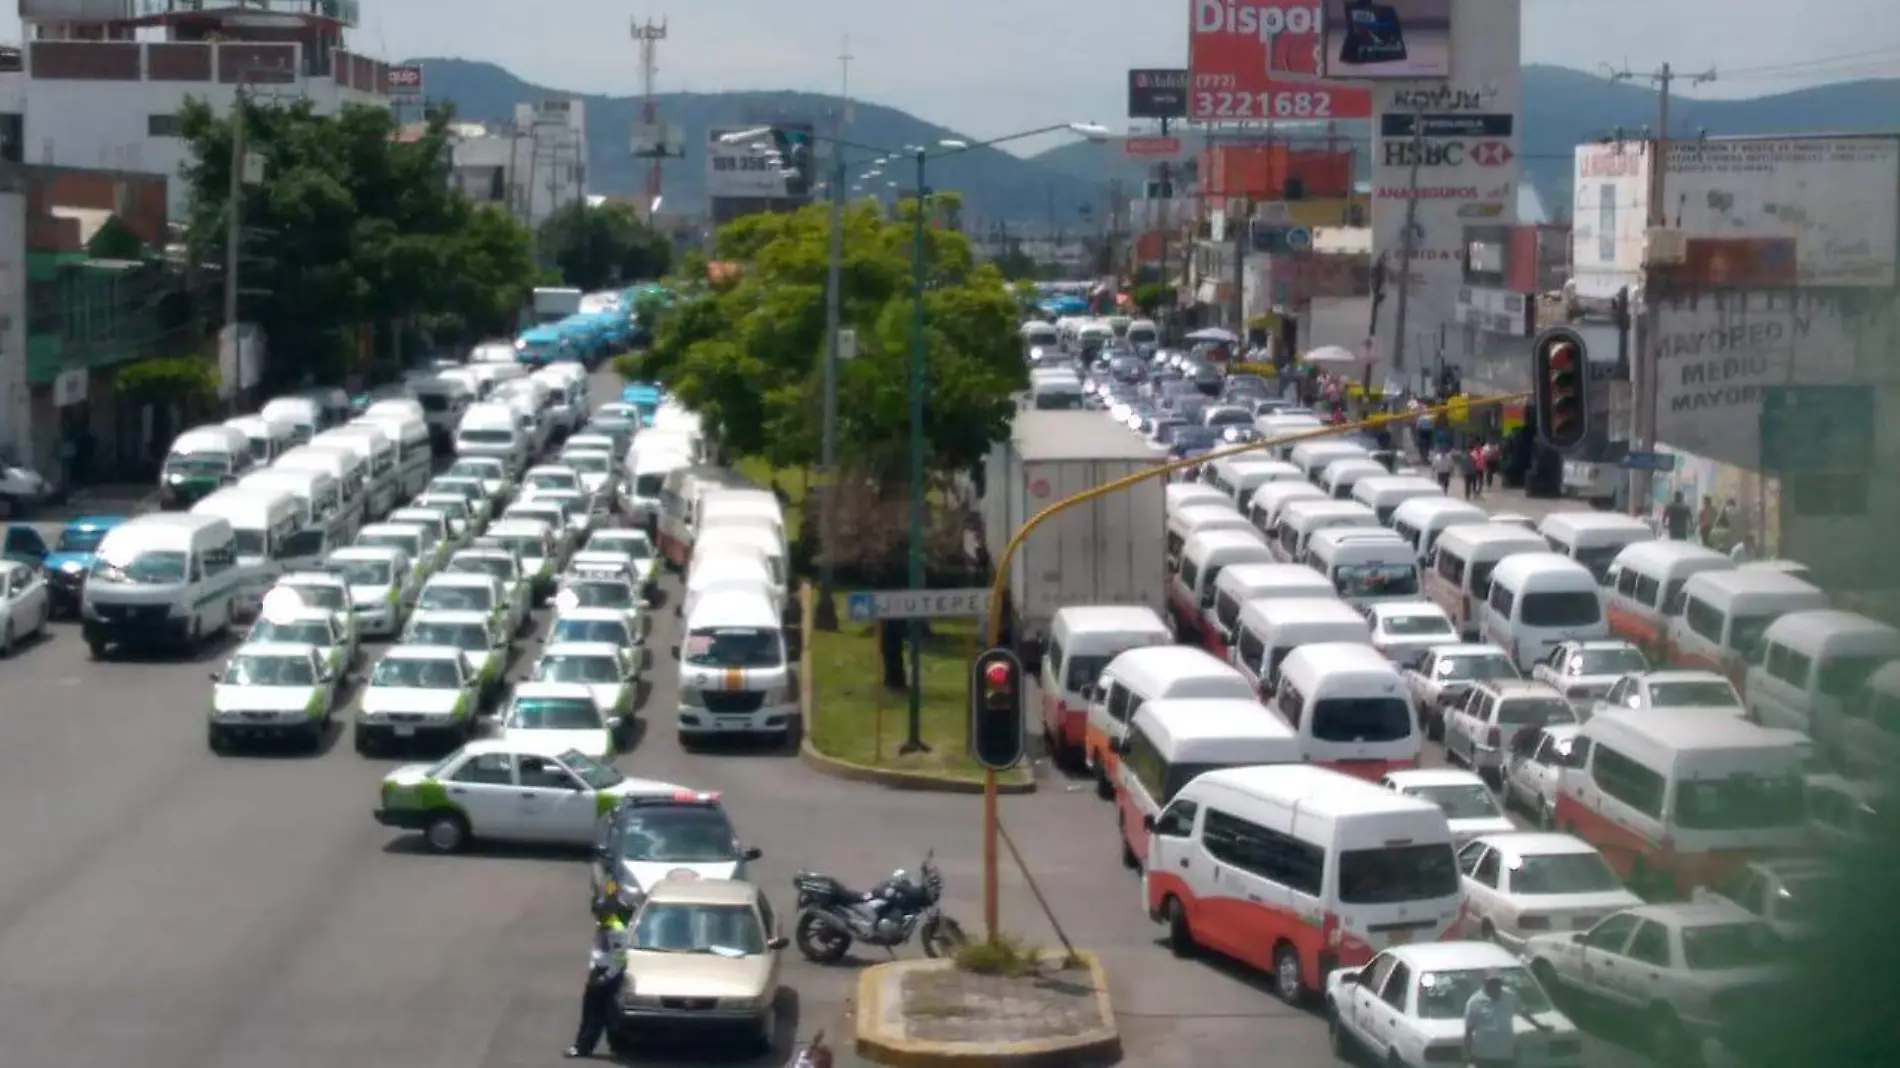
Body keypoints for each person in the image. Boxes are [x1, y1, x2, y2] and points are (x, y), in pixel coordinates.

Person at [566, 897, 631, 1058]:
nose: (597, 914)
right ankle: (587, 1046)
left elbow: (620, 959)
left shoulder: (617, 930)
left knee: (601, 1013)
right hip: (598, 971)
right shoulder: (602, 926)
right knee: (595, 1012)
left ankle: (588, 1047)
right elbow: (598, 951)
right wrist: (593, 969)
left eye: (600, 911)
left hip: (609, 974)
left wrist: (607, 977)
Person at [1464, 970, 1551, 1068]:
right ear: (1484, 984)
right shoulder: (1474, 1002)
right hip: (1484, 1054)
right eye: (1491, 984)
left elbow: (1524, 1012)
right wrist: (1468, 1056)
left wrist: (1539, 1026)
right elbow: (1469, 1030)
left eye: (1497, 984)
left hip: (1505, 1053)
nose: (1494, 988)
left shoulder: (1509, 996)